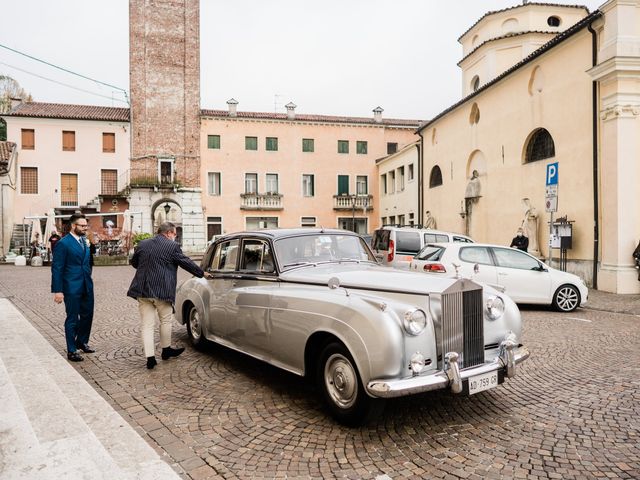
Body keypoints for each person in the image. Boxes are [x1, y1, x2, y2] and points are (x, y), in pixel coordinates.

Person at [127, 222, 212, 369]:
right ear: (168, 233)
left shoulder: (142, 244)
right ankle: (166, 350)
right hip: (162, 291)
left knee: (147, 325)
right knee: (165, 321)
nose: (175, 237)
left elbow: (134, 263)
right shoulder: (172, 246)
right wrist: (202, 273)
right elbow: (186, 262)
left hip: (141, 290)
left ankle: (150, 358)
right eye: (174, 234)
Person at [51, 213, 95, 362]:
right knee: (72, 318)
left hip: (86, 284)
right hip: (71, 287)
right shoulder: (63, 243)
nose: (85, 228)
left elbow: (87, 263)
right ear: (73, 226)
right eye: (82, 226)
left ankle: (82, 342)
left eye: (86, 225)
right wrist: (58, 290)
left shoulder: (84, 241)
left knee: (87, 315)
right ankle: (71, 350)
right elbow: (57, 268)